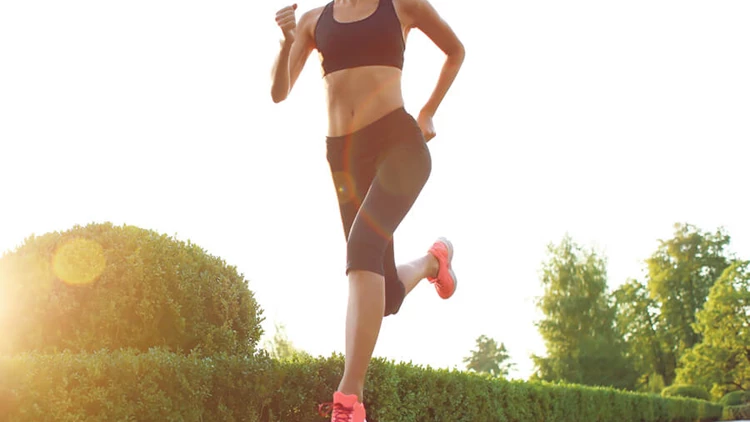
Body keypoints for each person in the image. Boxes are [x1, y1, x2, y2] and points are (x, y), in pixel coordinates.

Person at [271, 0, 464, 419]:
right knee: (384, 293)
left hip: (399, 145)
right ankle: (433, 263)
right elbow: (279, 92)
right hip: (344, 157)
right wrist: (287, 42)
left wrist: (428, 112)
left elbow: (455, 50)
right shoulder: (313, 21)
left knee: (361, 248)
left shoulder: (401, 5)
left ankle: (349, 401)